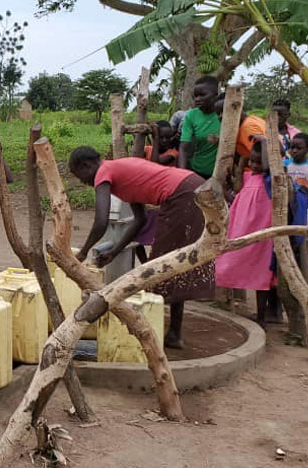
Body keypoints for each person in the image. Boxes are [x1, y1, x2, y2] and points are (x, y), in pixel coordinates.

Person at [69, 146, 214, 349]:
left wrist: (83, 252)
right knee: (173, 262)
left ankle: (158, 331)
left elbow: (101, 221)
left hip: (182, 194)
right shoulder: (119, 172)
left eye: (81, 176)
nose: (83, 182)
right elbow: (140, 220)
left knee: (163, 264)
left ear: (86, 165)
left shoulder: (103, 172)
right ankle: (174, 332)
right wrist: (113, 252)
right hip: (192, 185)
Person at [214, 136, 276, 327]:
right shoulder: (247, 177)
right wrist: (241, 162)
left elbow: (268, 166)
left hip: (262, 235)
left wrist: (266, 143)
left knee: (263, 274)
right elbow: (234, 192)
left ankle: (261, 316)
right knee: (226, 264)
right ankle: (226, 304)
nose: (256, 165)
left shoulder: (272, 182)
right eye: (253, 161)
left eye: (259, 162)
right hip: (240, 230)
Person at [177, 76, 220, 179]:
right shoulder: (191, 116)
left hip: (222, 174)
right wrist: (182, 175)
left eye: (202, 95)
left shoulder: (225, 115)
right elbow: (183, 148)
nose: (197, 99)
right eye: (195, 96)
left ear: (215, 95)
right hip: (197, 172)